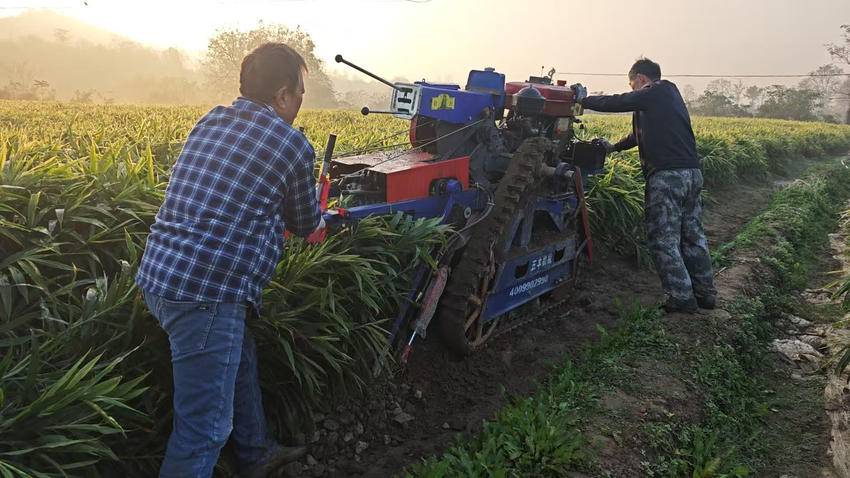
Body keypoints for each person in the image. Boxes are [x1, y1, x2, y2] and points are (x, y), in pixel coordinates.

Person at [136, 42, 324, 477]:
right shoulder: (290, 143)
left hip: (159, 275)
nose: (299, 103)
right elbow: (305, 224)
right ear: (281, 95)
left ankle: (256, 454)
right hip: (204, 295)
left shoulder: (212, 120)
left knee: (238, 352)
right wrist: (320, 213)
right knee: (203, 431)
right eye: (299, 93)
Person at [578, 57, 717, 313]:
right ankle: (705, 294)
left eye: (632, 85)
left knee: (663, 238)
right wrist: (613, 147)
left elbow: (617, 102)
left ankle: (681, 298)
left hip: (668, 177)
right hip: (691, 174)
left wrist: (581, 100)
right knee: (692, 235)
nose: (632, 91)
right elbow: (636, 136)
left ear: (641, 80)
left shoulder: (658, 90)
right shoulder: (666, 99)